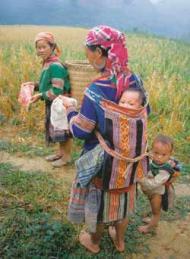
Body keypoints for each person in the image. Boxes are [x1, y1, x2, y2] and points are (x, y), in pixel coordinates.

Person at [61, 25, 148, 253]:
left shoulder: (96, 89)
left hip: (103, 160)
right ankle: (120, 241)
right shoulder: (134, 80)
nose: (86, 56)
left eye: (87, 50)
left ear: (99, 52)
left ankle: (94, 241)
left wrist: (71, 110)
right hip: (130, 158)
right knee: (123, 199)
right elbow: (145, 113)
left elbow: (81, 131)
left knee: (99, 204)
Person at [26, 32, 72, 167]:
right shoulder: (47, 63)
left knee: (63, 128)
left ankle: (67, 157)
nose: (40, 50)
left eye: (43, 47)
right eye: (38, 48)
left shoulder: (55, 65)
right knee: (56, 127)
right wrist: (33, 86)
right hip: (53, 102)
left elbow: (57, 90)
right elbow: (46, 85)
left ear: (52, 47)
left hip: (62, 102)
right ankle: (60, 153)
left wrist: (40, 95)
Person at [137, 134, 180, 234]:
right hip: (151, 192)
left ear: (170, 154)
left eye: (164, 155)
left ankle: (150, 227)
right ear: (152, 151)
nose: (159, 157)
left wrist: (140, 179)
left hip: (157, 194)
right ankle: (152, 221)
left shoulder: (165, 170)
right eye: (156, 153)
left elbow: (153, 184)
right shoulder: (152, 159)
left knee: (156, 212)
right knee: (153, 209)